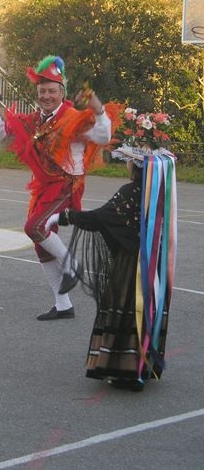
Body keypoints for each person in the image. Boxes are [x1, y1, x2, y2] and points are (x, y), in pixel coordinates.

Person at [0, 55, 122, 320]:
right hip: (44, 187)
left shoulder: (74, 118)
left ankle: (72, 265)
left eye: (52, 91)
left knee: (33, 227)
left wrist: (99, 110)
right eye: (42, 91)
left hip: (67, 185)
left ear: (62, 92)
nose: (46, 96)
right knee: (41, 244)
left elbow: (104, 137)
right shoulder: (35, 120)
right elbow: (0, 132)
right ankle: (63, 305)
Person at [51, 114, 177, 391]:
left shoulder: (131, 190)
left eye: (130, 160)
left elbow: (102, 217)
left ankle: (126, 370)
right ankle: (143, 363)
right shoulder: (158, 194)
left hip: (131, 265)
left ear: (136, 164)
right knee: (144, 310)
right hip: (151, 264)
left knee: (126, 308)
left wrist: (65, 216)